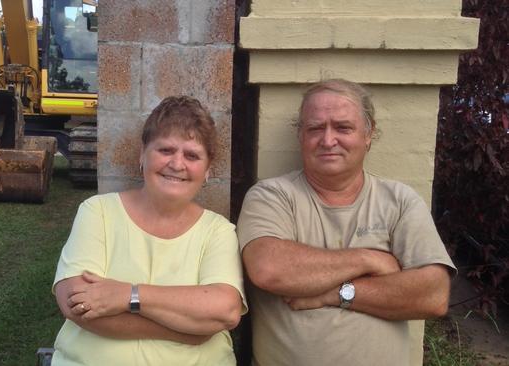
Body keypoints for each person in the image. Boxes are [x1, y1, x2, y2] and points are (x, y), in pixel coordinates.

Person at [237, 79, 455, 366]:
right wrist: (371, 259)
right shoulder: (271, 196)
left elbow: (433, 295)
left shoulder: (399, 201)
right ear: (300, 135)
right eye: (315, 128)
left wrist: (335, 293)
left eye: (343, 127)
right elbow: (269, 269)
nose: (328, 140)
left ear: (368, 134)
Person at [52, 96, 247, 365]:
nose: (177, 164)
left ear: (208, 170)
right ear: (142, 155)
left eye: (192, 155)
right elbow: (75, 303)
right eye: (166, 150)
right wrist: (190, 332)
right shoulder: (98, 212)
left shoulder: (218, 231)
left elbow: (224, 311)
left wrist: (128, 295)